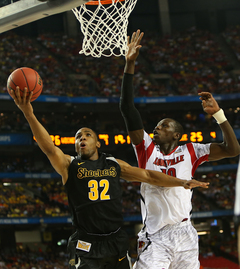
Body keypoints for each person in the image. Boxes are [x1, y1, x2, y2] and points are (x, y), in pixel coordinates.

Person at [11, 87, 208, 269]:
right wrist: (29, 113)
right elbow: (48, 147)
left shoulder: (113, 164)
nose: (82, 138)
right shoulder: (69, 165)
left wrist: (181, 182)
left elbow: (148, 175)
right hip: (87, 242)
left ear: (97, 143)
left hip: (115, 241)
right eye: (78, 136)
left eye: (87, 134)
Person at [119, 30, 240, 269]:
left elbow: (232, 150)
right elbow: (127, 109)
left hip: (186, 232)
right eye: (156, 125)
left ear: (176, 134)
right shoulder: (146, 148)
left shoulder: (192, 151)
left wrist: (218, 114)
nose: (156, 128)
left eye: (163, 126)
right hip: (156, 235)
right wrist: (129, 66)